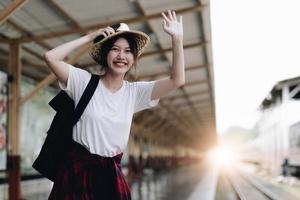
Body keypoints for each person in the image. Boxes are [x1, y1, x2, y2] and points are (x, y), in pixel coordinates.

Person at [44, 10, 184, 200]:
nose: (121, 56)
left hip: (111, 176)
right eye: (115, 49)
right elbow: (51, 57)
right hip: (77, 175)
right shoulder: (83, 82)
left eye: (128, 51)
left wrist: (177, 39)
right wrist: (90, 37)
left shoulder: (135, 92)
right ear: (104, 53)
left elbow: (177, 80)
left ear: (134, 59)